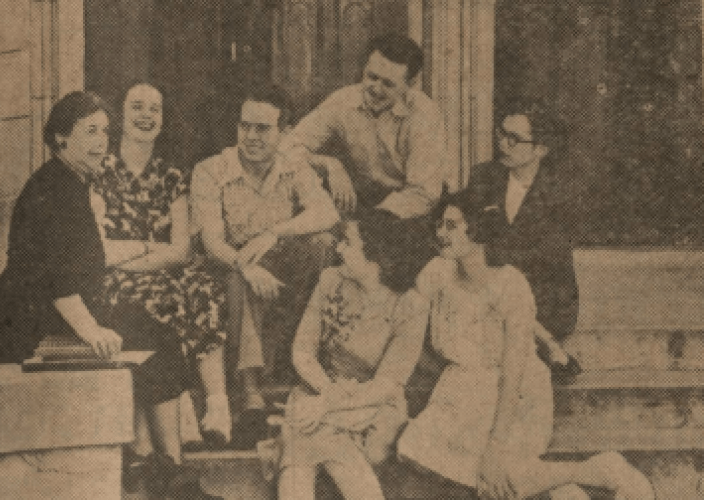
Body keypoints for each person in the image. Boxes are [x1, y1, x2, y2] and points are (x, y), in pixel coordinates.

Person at [0, 91, 221, 499]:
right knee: (148, 335)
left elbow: (87, 256)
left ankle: (161, 467)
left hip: (51, 311)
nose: (101, 142)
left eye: (105, 132)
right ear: (61, 139)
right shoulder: (56, 190)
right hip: (25, 326)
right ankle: (167, 473)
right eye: (89, 132)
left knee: (152, 329)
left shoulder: (71, 181)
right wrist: (92, 329)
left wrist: (138, 250)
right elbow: (58, 280)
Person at [397, 191, 656, 500]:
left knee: (494, 473)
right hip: (460, 389)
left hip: (517, 394)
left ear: (476, 229)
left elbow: (513, 374)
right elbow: (407, 315)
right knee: (413, 450)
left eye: (451, 226)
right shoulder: (437, 272)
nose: (440, 233)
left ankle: (598, 471)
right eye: (438, 225)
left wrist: (495, 446)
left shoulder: (510, 283)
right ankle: (565, 484)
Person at [190, 84, 340, 446]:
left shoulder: (294, 165)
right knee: (239, 280)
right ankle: (252, 392)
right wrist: (246, 265)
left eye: (263, 128)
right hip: (228, 269)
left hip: (278, 266)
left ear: (284, 133)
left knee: (322, 245)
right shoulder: (211, 170)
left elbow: (327, 212)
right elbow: (212, 243)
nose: (251, 137)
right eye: (245, 126)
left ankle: (307, 363)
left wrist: (274, 234)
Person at [91, 82, 231, 451]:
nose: (146, 116)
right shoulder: (100, 170)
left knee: (204, 288)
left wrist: (142, 256)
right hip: (113, 276)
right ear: (121, 117)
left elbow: (181, 248)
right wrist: (151, 253)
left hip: (156, 267)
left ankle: (217, 404)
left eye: (154, 109)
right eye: (137, 107)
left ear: (163, 119)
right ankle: (181, 402)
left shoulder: (170, 175)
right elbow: (98, 247)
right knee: (161, 295)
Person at [278, 212, 431, 500]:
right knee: (309, 429)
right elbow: (302, 351)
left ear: (378, 257)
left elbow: (386, 385)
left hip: (375, 404)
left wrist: (328, 404)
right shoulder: (330, 280)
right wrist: (328, 395)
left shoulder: (411, 305)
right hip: (319, 387)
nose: (339, 249)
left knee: (305, 436)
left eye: (348, 243)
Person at [466, 98, 581, 383]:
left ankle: (544, 345)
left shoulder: (561, 192)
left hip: (544, 294)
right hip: (492, 287)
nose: (503, 144)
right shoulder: (484, 177)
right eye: (501, 134)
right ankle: (549, 348)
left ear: (541, 149)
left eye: (514, 139)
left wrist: (493, 255)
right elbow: (470, 234)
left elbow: (548, 257)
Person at [281, 32, 446, 220]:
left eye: (388, 84)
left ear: (411, 83)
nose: (375, 89)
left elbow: (423, 194)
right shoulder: (343, 100)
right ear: (365, 68)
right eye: (372, 77)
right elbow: (287, 146)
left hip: (409, 208)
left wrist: (370, 223)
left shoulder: (424, 115)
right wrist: (330, 164)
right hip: (363, 200)